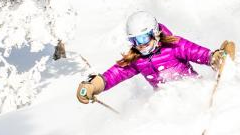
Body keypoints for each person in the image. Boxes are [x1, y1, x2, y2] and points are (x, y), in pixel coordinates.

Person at [76, 11, 227, 104]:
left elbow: (198, 53)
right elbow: (114, 75)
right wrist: (93, 86)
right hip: (168, 103)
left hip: (194, 91)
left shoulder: (175, 46)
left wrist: (214, 58)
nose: (140, 45)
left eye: (142, 39)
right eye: (134, 40)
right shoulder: (136, 59)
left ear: (154, 33)